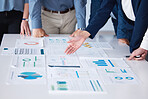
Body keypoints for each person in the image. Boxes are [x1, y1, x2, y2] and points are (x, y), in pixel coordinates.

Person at [65, 0, 148, 55]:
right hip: (134, 24)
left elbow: (142, 19)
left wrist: (137, 47)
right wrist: (85, 33)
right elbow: (104, 10)